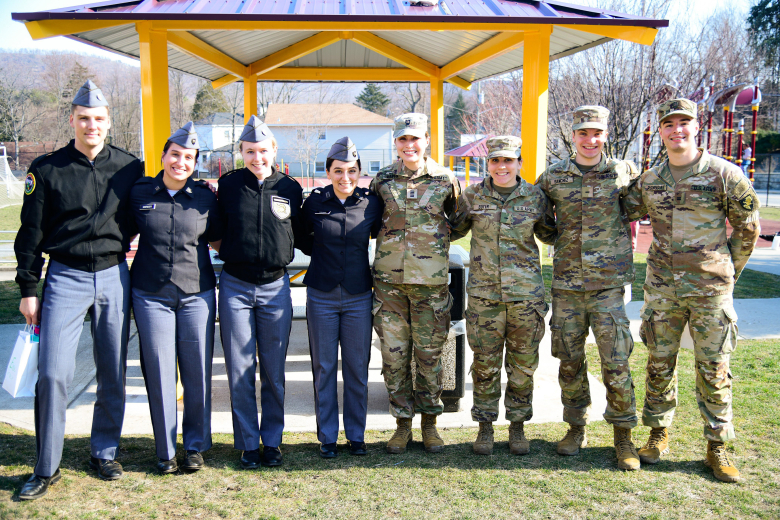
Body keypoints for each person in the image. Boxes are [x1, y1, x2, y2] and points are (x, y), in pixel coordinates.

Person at [15, 80, 143, 500]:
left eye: (99, 119)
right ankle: (45, 466)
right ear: (72, 119)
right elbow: (30, 234)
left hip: (112, 274)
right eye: (84, 118)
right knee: (53, 374)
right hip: (64, 277)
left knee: (113, 370)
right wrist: (29, 287)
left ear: (109, 122)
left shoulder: (129, 168)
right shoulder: (46, 169)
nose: (92, 125)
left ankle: (103, 451)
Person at [623, 99, 761, 483]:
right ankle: (657, 433)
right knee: (659, 362)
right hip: (663, 288)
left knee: (714, 368)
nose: (676, 130)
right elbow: (623, 210)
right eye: (669, 124)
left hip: (710, 289)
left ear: (696, 127)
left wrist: (727, 271)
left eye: (684, 123)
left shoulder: (724, 174)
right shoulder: (650, 180)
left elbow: (747, 227)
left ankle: (717, 445)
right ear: (662, 131)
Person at [536, 105, 641, 471]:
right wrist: (563, 242)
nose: (590, 140)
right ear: (573, 136)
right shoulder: (553, 177)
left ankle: (623, 436)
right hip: (567, 285)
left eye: (596, 133)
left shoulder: (623, 171)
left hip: (608, 286)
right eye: (583, 133)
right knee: (569, 360)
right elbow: (539, 219)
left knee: (616, 360)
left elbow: (637, 206)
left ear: (605, 135)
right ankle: (575, 427)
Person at [129, 123, 221, 474]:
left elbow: (217, 239)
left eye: (189, 158)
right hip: (151, 294)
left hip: (196, 293)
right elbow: (120, 230)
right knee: (159, 370)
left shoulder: (204, 196)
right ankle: (165, 450)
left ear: (195, 162)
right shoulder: (140, 192)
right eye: (175, 155)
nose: (181, 162)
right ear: (164, 156)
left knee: (197, 370)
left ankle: (195, 445)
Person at [450, 136, 550, 455]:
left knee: (522, 367)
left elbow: (552, 232)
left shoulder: (535, 197)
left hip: (525, 298)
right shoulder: (472, 196)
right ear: (488, 164)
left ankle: (517, 427)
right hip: (484, 300)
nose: (501, 166)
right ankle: (485, 427)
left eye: (508, 160)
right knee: (485, 365)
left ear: (519, 163)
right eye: (495, 161)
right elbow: (451, 229)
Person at [371, 113, 461, 454]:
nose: (409, 145)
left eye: (415, 138)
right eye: (403, 139)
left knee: (429, 357)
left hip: (431, 286)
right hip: (389, 286)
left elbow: (458, 221)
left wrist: (433, 250)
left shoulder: (444, 179)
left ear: (426, 140)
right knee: (394, 358)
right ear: (395, 142)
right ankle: (402, 425)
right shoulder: (381, 180)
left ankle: (430, 424)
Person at [217, 115, 303, 469]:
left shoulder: (290, 188)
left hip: (275, 286)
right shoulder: (228, 185)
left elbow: (299, 232)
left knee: (273, 369)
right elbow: (215, 231)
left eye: (263, 151)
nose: (257, 157)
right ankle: (247, 443)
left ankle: (272, 441)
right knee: (239, 368)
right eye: (250, 151)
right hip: (235, 285)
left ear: (274, 151)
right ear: (241, 152)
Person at [298, 137, 382, 458]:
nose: (345, 177)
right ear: (328, 172)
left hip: (359, 295)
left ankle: (357, 435)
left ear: (360, 172)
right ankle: (328, 437)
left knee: (358, 367)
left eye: (352, 171)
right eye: (338, 171)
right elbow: (304, 239)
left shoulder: (370, 203)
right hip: (321, 295)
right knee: (324, 367)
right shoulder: (315, 202)